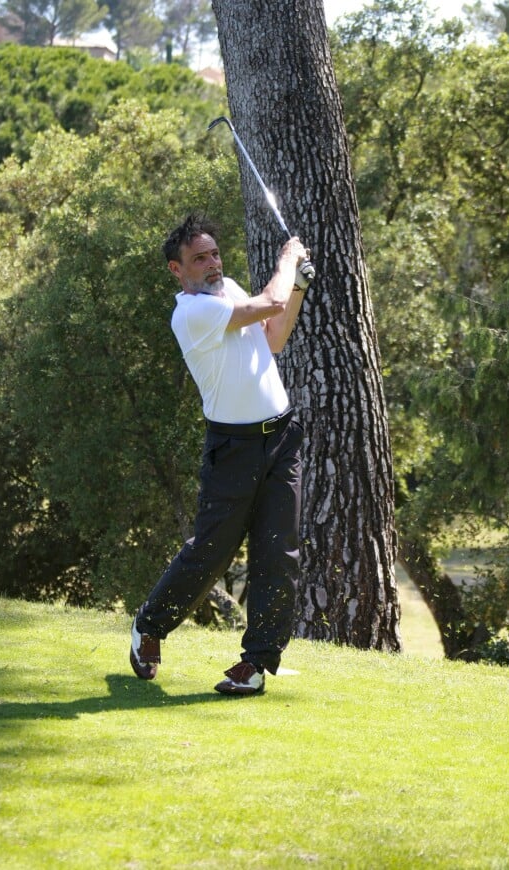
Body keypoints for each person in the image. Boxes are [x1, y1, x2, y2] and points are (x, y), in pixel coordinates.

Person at [129, 213, 314, 695]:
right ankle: (150, 625)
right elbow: (270, 299)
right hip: (233, 448)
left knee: (280, 553)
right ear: (177, 270)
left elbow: (273, 336)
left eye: (214, 253)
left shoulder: (228, 288)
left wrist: (296, 289)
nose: (212, 264)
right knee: (211, 553)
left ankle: (255, 664)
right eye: (199, 258)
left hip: (282, 438)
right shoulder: (191, 313)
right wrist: (289, 263)